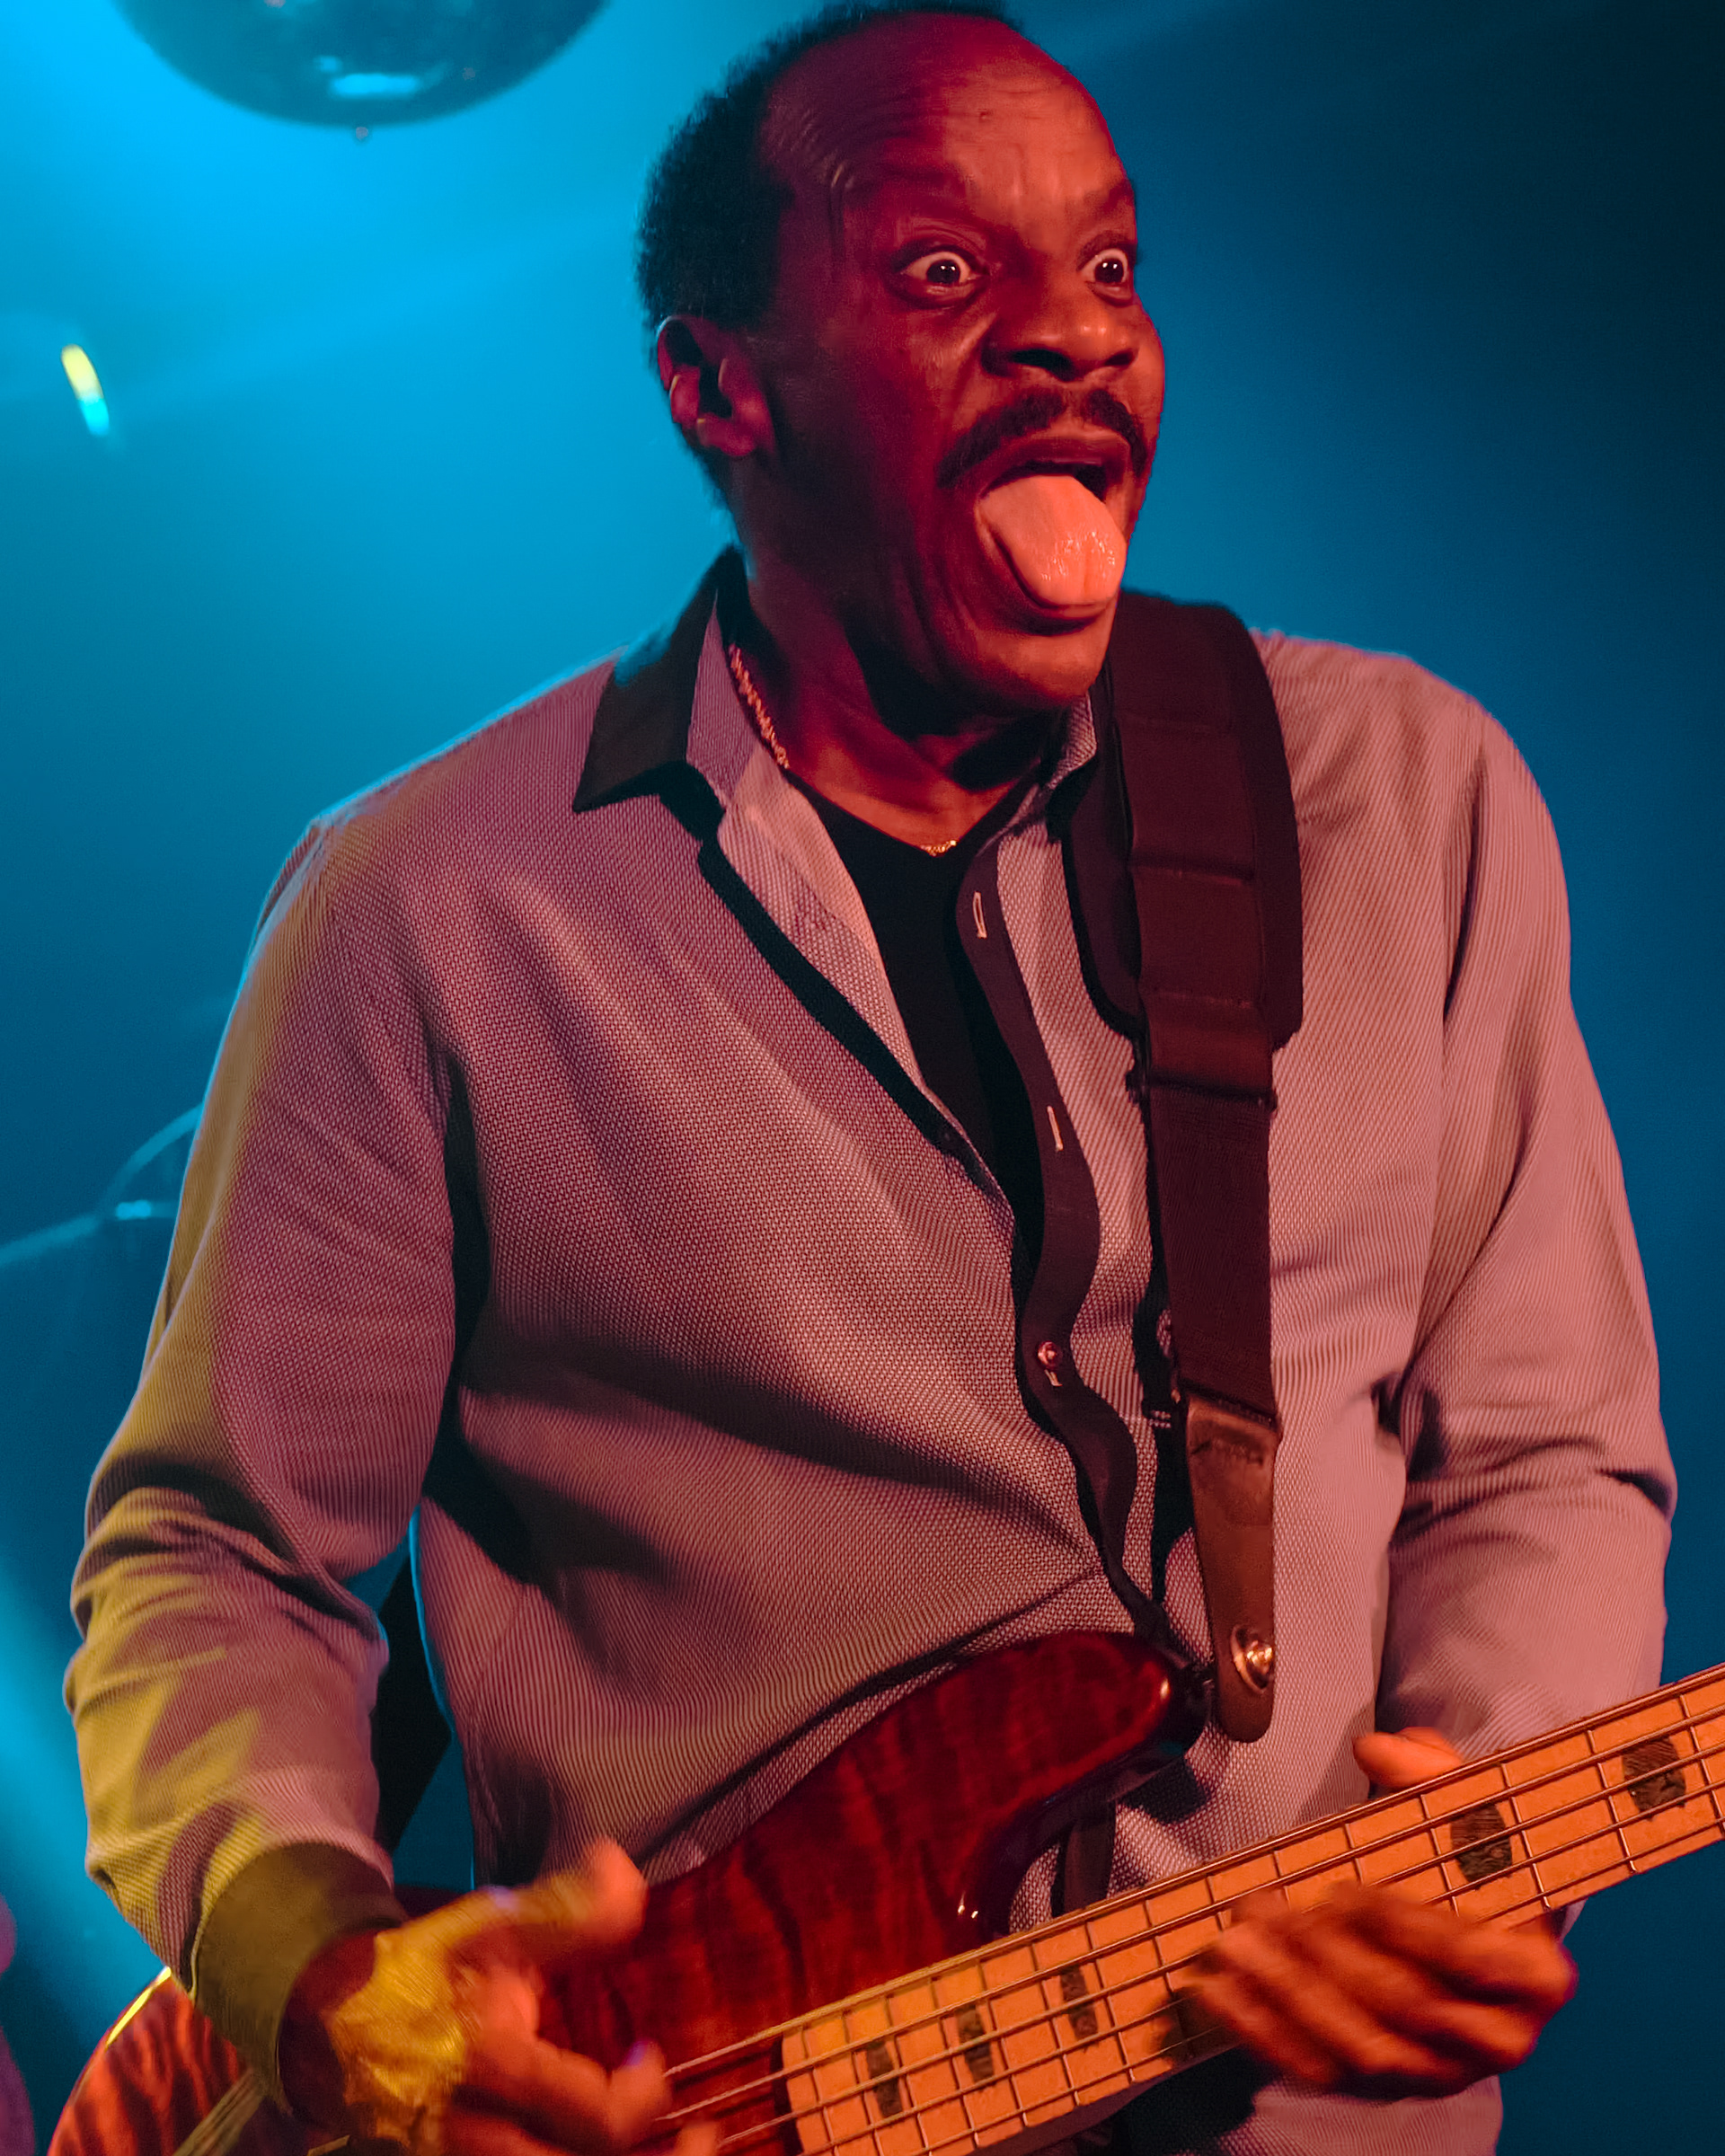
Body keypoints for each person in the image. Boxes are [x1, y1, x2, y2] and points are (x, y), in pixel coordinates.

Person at [66, 5, 1674, 2153]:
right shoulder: (426, 907)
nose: (1078, 337)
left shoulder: (1409, 796)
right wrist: (323, 1967)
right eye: (944, 273)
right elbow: (214, 1554)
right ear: (717, 388)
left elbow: (1549, 1451)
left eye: (1110, 268)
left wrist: (1480, 1824)